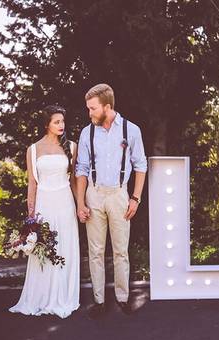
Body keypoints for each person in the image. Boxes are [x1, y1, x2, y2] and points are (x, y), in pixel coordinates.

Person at [75, 83, 147, 317]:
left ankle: (123, 297)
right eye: (88, 108)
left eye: (93, 108)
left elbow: (141, 165)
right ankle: (98, 301)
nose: (90, 113)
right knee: (95, 251)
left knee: (120, 251)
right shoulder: (88, 132)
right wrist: (80, 203)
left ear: (107, 106)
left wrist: (135, 197)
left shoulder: (131, 130)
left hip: (119, 194)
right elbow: (82, 169)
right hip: (94, 194)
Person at [10, 105, 80, 318]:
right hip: (44, 203)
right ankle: (41, 296)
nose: (61, 125)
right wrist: (31, 216)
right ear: (46, 124)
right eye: (56, 122)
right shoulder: (33, 149)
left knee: (65, 247)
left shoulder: (72, 147)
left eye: (62, 121)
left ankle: (64, 295)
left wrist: (80, 206)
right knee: (45, 248)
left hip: (65, 202)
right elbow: (32, 183)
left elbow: (76, 182)